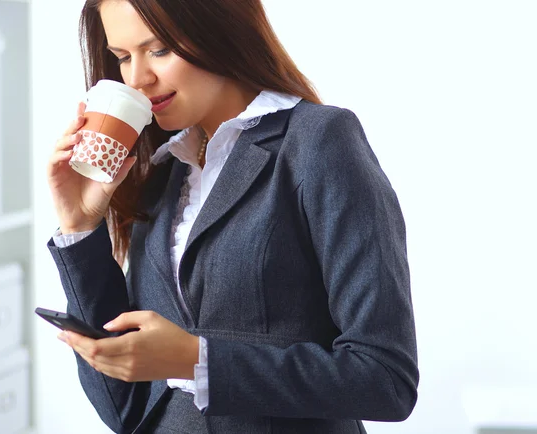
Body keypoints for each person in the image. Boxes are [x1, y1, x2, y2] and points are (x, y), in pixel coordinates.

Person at [47, 0, 419, 432]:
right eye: (124, 57)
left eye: (160, 50)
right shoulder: (163, 171)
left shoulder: (318, 142)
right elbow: (124, 408)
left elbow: (386, 378)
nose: (137, 79)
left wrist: (197, 360)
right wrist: (79, 226)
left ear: (219, 27)